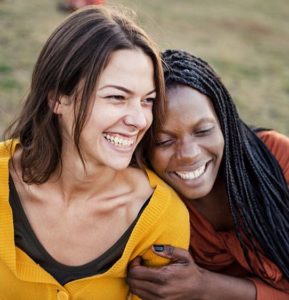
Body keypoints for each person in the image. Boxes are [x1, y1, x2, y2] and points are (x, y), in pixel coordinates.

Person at [0, 10, 190, 299]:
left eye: (147, 101)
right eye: (117, 97)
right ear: (57, 98)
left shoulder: (161, 217)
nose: (139, 120)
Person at [127, 49, 289, 299]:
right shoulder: (149, 199)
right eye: (164, 141)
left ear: (225, 122)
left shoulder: (277, 160)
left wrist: (205, 286)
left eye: (202, 131)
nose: (189, 154)